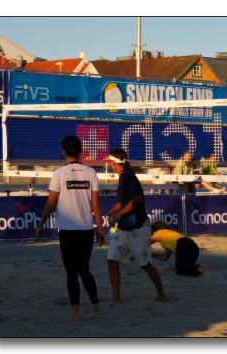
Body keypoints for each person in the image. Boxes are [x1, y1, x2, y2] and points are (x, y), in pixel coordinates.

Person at [35, 135, 105, 322]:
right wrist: (100, 229)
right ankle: (97, 309)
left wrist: (41, 224)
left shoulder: (59, 174)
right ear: (81, 150)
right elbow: (96, 205)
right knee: (85, 270)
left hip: (67, 231)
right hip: (85, 229)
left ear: (64, 151)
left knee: (71, 273)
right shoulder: (91, 172)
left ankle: (76, 315)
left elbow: (51, 202)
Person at [106, 149, 167, 302]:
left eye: (110, 162)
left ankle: (161, 294)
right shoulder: (124, 177)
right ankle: (116, 298)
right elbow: (127, 200)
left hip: (138, 228)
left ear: (114, 162)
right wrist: (116, 208)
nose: (109, 165)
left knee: (145, 264)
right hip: (124, 228)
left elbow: (137, 199)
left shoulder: (128, 177)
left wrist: (120, 213)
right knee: (112, 261)